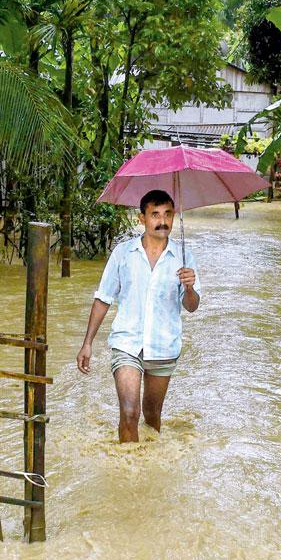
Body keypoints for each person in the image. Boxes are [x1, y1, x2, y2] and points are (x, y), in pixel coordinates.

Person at [76, 189, 201, 442]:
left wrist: (189, 286)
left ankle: (149, 469)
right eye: (155, 214)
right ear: (141, 218)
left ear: (174, 216)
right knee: (130, 412)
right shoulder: (123, 253)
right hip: (127, 344)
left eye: (167, 214)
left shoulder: (184, 257)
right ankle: (128, 474)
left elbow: (191, 306)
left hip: (164, 346)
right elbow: (103, 298)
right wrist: (87, 343)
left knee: (152, 415)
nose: (162, 221)